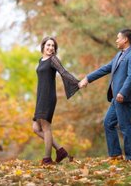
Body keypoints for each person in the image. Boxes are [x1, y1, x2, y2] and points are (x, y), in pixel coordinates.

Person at [79, 29, 131, 161]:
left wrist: (122, 93)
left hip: (123, 97)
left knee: (125, 126)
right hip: (116, 98)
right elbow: (105, 69)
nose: (116, 40)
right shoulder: (119, 55)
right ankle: (115, 154)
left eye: (118, 38)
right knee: (108, 122)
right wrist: (87, 79)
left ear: (125, 39)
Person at [33, 36, 80, 165]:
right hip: (40, 97)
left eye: (53, 46)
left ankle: (47, 159)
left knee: (46, 127)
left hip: (48, 97)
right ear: (43, 46)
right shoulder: (41, 60)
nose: (50, 48)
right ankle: (60, 151)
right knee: (36, 128)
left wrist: (77, 83)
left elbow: (63, 72)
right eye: (48, 45)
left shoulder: (53, 60)